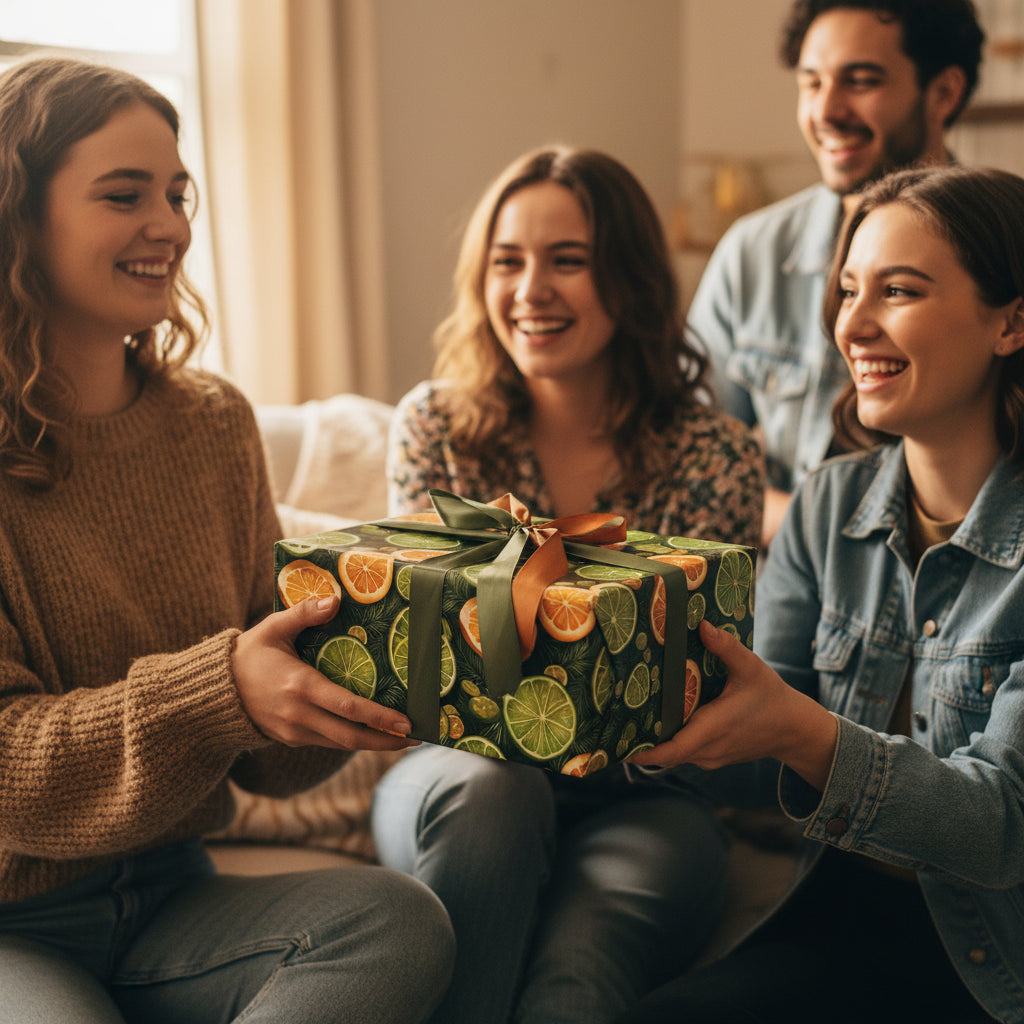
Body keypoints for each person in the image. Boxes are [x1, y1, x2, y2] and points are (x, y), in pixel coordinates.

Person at [0, 56, 454, 1024]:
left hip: (172, 892)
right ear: (19, 220)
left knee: (393, 919)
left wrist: (384, 656)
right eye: (124, 195)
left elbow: (268, 764)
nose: (168, 224)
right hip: (10, 926)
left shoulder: (210, 426)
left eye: (176, 191)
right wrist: (220, 689)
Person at [619, 163, 1024, 1024]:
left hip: (999, 964)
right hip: (842, 917)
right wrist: (631, 703)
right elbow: (762, 741)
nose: (854, 325)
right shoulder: (827, 503)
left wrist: (800, 729)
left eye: (900, 290)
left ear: (1012, 321)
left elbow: (1001, 826)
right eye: (848, 290)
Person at [373, 145, 764, 1024]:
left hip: (647, 799)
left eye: (568, 261)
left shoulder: (716, 454)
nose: (530, 290)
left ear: (628, 280)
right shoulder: (436, 427)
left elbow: (707, 680)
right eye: (507, 262)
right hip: (461, 774)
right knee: (494, 791)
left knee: (578, 977)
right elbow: (435, 668)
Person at [689, 0, 985, 550]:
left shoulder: (1004, 246)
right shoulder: (752, 253)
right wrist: (823, 538)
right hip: (775, 594)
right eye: (811, 83)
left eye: (862, 81)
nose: (826, 110)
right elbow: (685, 461)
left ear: (943, 92)